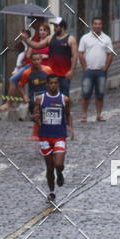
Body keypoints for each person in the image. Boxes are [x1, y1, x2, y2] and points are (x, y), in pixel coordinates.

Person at [32, 73, 74, 202]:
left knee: (58, 164)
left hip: (59, 136)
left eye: (56, 83)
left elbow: (67, 114)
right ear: (47, 84)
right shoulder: (40, 99)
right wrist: (36, 118)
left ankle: (60, 172)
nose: (53, 85)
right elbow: (35, 114)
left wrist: (70, 128)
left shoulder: (65, 99)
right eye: (51, 83)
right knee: (49, 167)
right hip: (44, 137)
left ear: (58, 84)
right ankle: (52, 192)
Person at [78, 17, 114, 122]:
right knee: (86, 94)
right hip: (88, 71)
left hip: (101, 71)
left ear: (102, 25)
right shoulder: (85, 38)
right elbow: (80, 53)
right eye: (95, 24)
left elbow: (110, 54)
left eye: (99, 24)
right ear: (92, 25)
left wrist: (106, 67)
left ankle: (99, 114)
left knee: (100, 94)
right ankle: (84, 115)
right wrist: (84, 67)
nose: (97, 26)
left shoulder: (106, 38)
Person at [35, 18, 77, 96]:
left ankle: (65, 108)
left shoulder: (71, 39)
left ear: (62, 27)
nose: (54, 28)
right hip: (51, 73)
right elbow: (37, 46)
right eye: (54, 26)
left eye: (56, 26)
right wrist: (27, 40)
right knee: (50, 95)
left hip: (65, 74)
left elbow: (74, 56)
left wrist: (71, 71)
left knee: (64, 96)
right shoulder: (50, 38)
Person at [0, 30, 31, 111]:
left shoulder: (30, 43)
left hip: (27, 66)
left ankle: (10, 103)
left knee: (14, 80)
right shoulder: (24, 44)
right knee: (18, 83)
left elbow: (28, 54)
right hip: (22, 66)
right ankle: (21, 101)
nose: (22, 35)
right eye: (21, 33)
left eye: (24, 33)